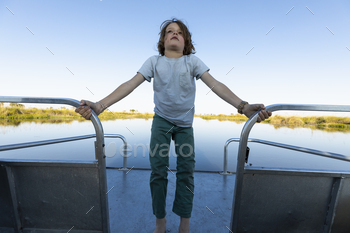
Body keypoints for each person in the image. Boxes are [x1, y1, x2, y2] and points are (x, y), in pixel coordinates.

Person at [75, 18, 271, 233]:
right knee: (158, 171)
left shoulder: (192, 62)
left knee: (186, 172)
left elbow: (216, 85)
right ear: (163, 39)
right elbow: (130, 84)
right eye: (170, 31)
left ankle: (183, 225)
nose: (174, 34)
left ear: (186, 41)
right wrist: (100, 105)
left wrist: (242, 106)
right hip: (162, 122)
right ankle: (161, 223)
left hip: (185, 126)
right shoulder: (154, 62)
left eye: (179, 32)